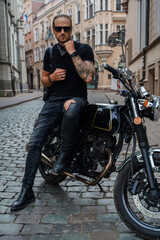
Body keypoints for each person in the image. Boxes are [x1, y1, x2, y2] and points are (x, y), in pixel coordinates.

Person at [11, 14, 95, 211]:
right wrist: (53, 78)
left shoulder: (83, 49)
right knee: (35, 142)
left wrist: (73, 53)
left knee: (73, 108)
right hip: (53, 101)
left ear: (71, 28)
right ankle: (26, 191)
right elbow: (44, 80)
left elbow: (89, 77)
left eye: (66, 28)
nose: (63, 32)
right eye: (58, 29)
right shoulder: (49, 52)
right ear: (54, 30)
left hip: (76, 98)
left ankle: (63, 157)